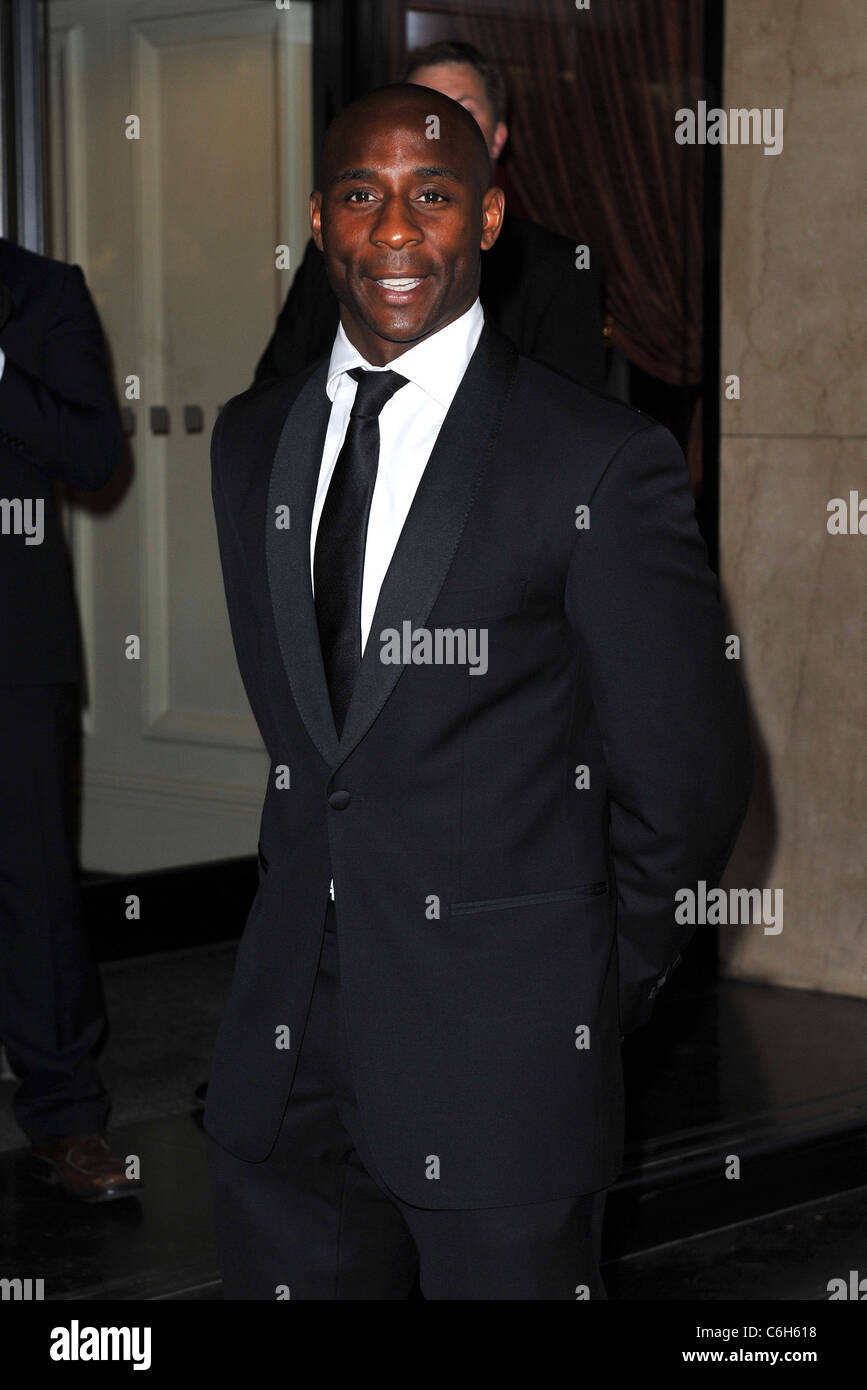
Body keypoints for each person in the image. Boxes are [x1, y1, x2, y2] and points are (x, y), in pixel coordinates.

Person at [205, 85, 752, 1299]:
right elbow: (317, 752)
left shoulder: (595, 460)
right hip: (285, 1063)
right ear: (318, 218)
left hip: (508, 1076)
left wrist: (581, 985)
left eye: (433, 197)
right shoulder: (249, 445)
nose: (394, 233)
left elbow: (692, 776)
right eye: (362, 196)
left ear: (490, 217)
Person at [0, 238, 139, 1202]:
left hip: (12, 649)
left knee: (33, 882)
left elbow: (95, 457)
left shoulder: (40, 294)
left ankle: (64, 1114)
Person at [253, 39, 606, 392]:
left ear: (498, 139)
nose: (437, 126)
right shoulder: (338, 253)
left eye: (463, 110)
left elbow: (572, 422)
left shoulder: (559, 270)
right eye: (423, 109)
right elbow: (276, 397)